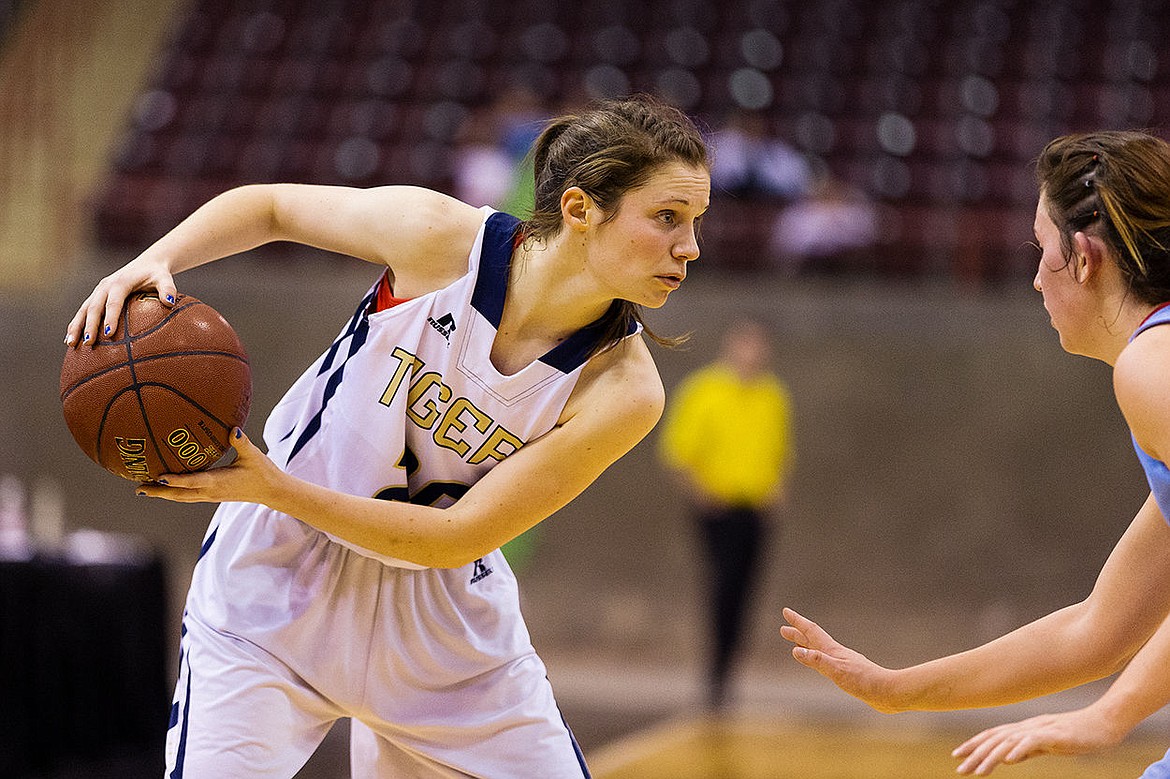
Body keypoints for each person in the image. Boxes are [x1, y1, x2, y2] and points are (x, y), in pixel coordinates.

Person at [64, 95, 710, 778]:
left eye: (696, 222)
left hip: (441, 622)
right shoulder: (437, 238)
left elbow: (458, 537)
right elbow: (271, 207)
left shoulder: (624, 391)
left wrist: (275, 487)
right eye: (667, 216)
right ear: (581, 210)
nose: (690, 246)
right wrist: (152, 261)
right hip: (279, 578)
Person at [780, 130, 1170, 777]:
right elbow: (1098, 629)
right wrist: (897, 689)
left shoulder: (1150, 366)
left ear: (1086, 257)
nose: (1035, 276)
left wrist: (1111, 714)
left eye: (1041, 249)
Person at [659, 318, 794, 710]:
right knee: (722, 587)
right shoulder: (705, 390)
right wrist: (699, 493)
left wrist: (777, 490)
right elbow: (679, 451)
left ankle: (727, 671)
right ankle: (716, 673)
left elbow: (779, 450)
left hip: (756, 509)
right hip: (717, 510)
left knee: (745, 590)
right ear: (731, 346)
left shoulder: (773, 395)